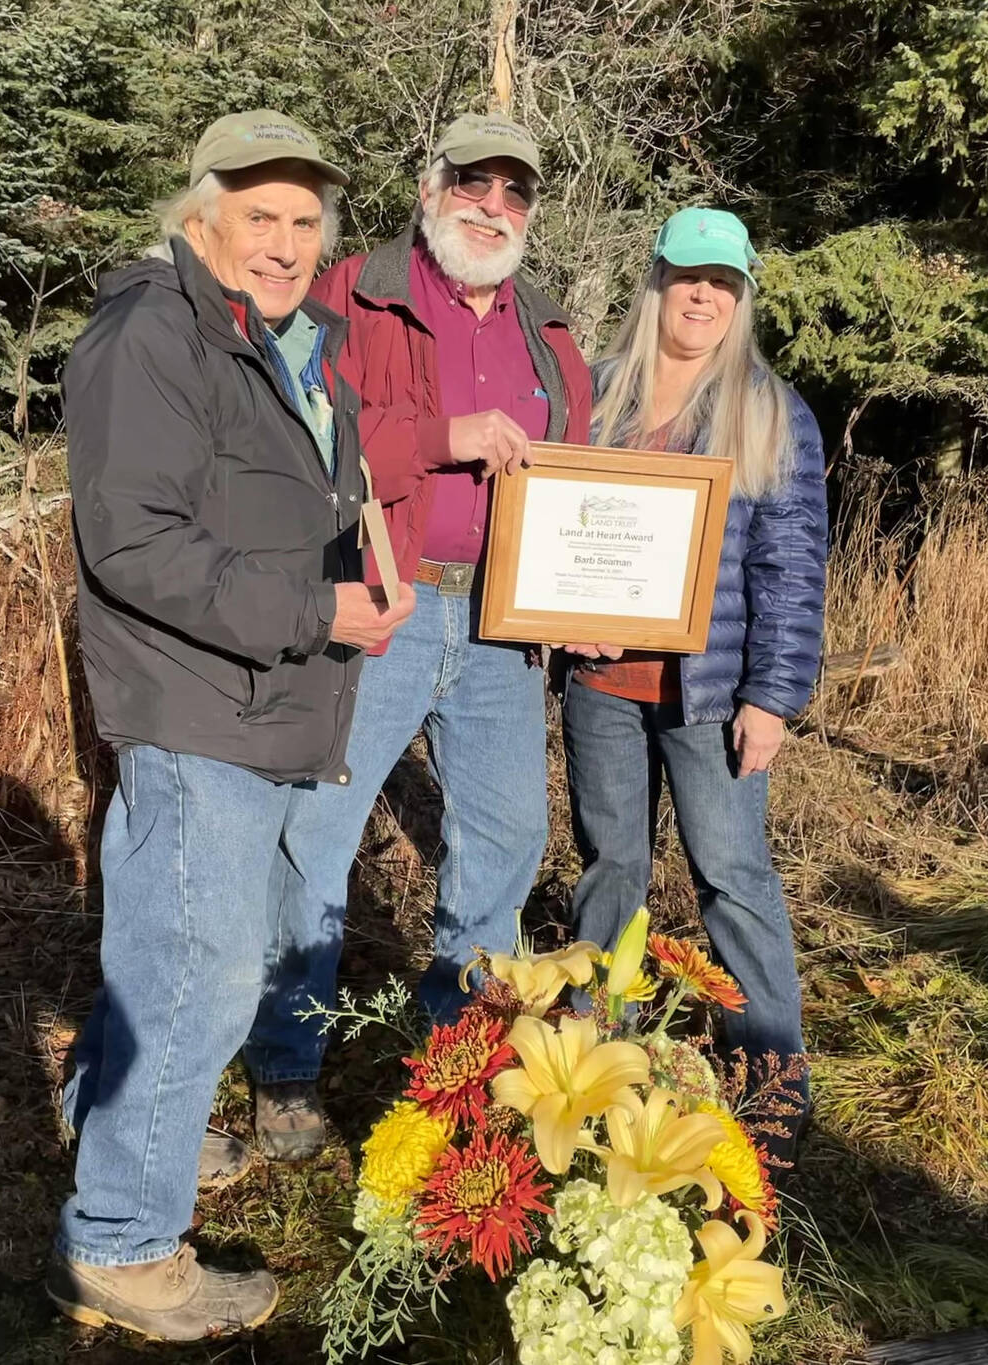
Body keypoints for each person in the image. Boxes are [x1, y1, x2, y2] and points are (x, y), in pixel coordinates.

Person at [48, 110, 415, 1340]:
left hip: (260, 702)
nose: (286, 242)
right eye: (261, 216)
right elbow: (136, 544)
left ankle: (124, 1175)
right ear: (198, 211)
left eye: (306, 221)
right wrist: (319, 610)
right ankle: (124, 1248)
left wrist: (358, 583)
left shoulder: (281, 345)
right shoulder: (153, 330)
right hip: (200, 709)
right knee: (194, 976)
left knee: (190, 958)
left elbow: (293, 510)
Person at [238, 114, 598, 1160]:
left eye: (513, 192)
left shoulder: (549, 328)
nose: (492, 205)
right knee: (316, 840)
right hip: (380, 605)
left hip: (500, 623)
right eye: (473, 183)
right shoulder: (347, 294)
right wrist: (444, 440)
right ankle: (288, 1067)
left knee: (503, 840)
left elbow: (573, 479)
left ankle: (459, 1066)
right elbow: (299, 439)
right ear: (430, 186)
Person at [562, 208, 828, 1129]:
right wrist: (560, 623)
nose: (703, 294)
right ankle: (596, 1066)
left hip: (710, 696)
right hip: (600, 688)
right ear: (658, 282)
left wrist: (770, 696)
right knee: (610, 869)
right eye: (687, 276)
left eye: (723, 282)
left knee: (732, 875)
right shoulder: (593, 394)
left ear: (742, 296)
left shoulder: (768, 409)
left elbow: (791, 567)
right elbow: (556, 534)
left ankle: (773, 1087)